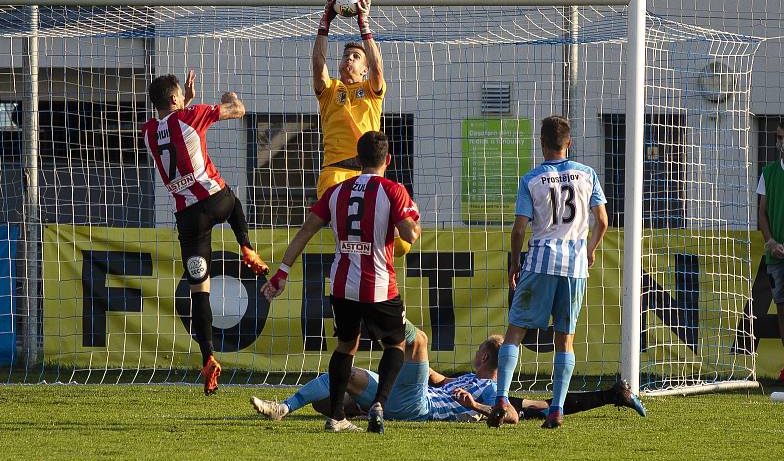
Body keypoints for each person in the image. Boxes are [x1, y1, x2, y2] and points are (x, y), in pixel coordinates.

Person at [261, 131, 421, 433]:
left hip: (341, 284)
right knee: (396, 344)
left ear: (357, 160)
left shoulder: (336, 191)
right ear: (388, 160)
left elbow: (306, 230)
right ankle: (379, 403)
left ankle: (336, 417)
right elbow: (409, 234)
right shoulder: (393, 190)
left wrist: (281, 272)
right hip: (379, 284)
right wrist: (415, 221)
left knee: (346, 346)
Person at [142, 71, 269, 396]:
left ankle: (208, 357)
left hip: (189, 220)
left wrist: (186, 99)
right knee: (234, 201)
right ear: (175, 100)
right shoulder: (193, 116)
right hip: (215, 201)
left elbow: (174, 124)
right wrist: (230, 98)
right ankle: (247, 247)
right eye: (180, 98)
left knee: (199, 289)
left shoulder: (148, 132)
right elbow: (236, 111)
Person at [251, 324, 646, 424]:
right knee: (343, 380)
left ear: (487, 358)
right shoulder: (460, 379)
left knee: (417, 339)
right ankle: (284, 407)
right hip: (410, 396)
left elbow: (522, 411)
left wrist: (475, 405)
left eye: (478, 351)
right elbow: (435, 379)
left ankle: (387, 315)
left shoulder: (492, 390)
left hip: (417, 407)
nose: (473, 354)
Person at [488, 115, 609, 429]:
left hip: (541, 261)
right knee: (564, 340)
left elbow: (518, 231)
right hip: (575, 267)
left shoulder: (531, 179)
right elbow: (603, 221)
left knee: (515, 331)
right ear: (568, 143)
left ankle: (501, 398)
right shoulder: (588, 174)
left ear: (541, 144)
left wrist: (516, 262)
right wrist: (591, 250)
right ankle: (556, 409)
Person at [312, 0, 411, 257]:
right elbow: (318, 65)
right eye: (346, 56)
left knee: (401, 244)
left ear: (364, 69)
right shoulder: (330, 90)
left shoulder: (372, 90)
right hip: (335, 174)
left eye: (356, 57)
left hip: (369, 173)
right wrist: (325, 23)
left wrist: (363, 23)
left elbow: (378, 68)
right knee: (352, 237)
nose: (349, 59)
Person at [757, 119, 784, 382]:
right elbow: (762, 213)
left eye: (782, 137)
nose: (779, 143)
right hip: (775, 255)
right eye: (777, 137)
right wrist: (771, 241)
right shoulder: (769, 172)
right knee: (782, 309)